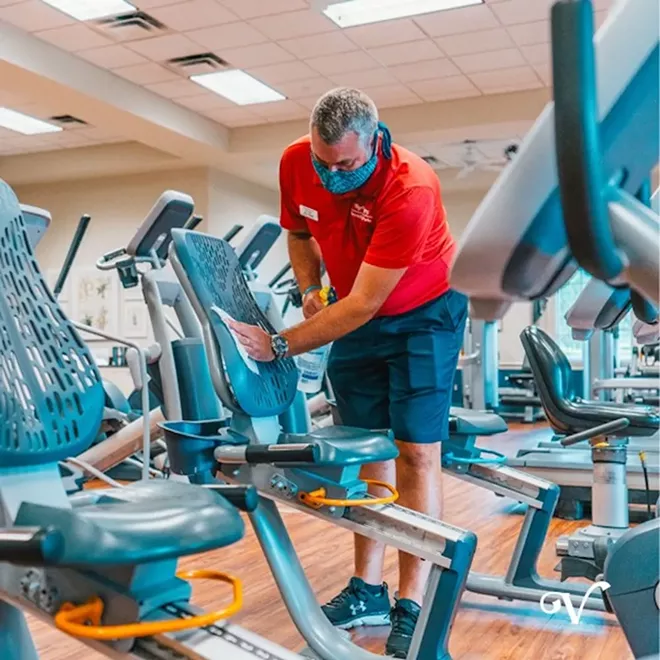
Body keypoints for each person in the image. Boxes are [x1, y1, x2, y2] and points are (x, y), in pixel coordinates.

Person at [228, 87, 468, 659]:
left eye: (346, 165)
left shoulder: (410, 188)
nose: (332, 174)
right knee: (367, 447)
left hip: (423, 315)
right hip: (352, 307)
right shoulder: (296, 160)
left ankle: (413, 600)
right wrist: (311, 289)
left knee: (416, 451)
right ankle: (368, 590)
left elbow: (363, 304)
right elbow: (300, 233)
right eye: (323, 161)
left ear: (375, 140)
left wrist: (278, 345)